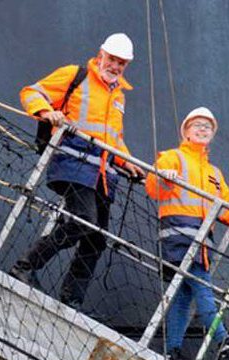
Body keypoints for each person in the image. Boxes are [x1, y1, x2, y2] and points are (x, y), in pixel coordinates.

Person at [10, 33, 144, 310]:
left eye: (122, 63)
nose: (116, 66)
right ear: (101, 54)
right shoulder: (76, 75)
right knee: (83, 220)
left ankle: (71, 299)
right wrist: (47, 112)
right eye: (112, 59)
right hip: (73, 163)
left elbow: (112, 139)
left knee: (96, 241)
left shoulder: (118, 95)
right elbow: (32, 92)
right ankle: (25, 265)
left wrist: (127, 161)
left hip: (102, 175)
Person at [145, 107, 229, 360]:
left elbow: (228, 209)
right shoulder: (173, 158)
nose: (202, 129)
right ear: (186, 131)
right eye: (197, 125)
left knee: (183, 296)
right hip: (179, 237)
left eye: (208, 127)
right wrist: (164, 177)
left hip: (200, 242)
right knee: (202, 287)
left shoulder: (214, 173)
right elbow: (153, 186)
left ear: (212, 134)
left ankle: (172, 350)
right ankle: (224, 342)